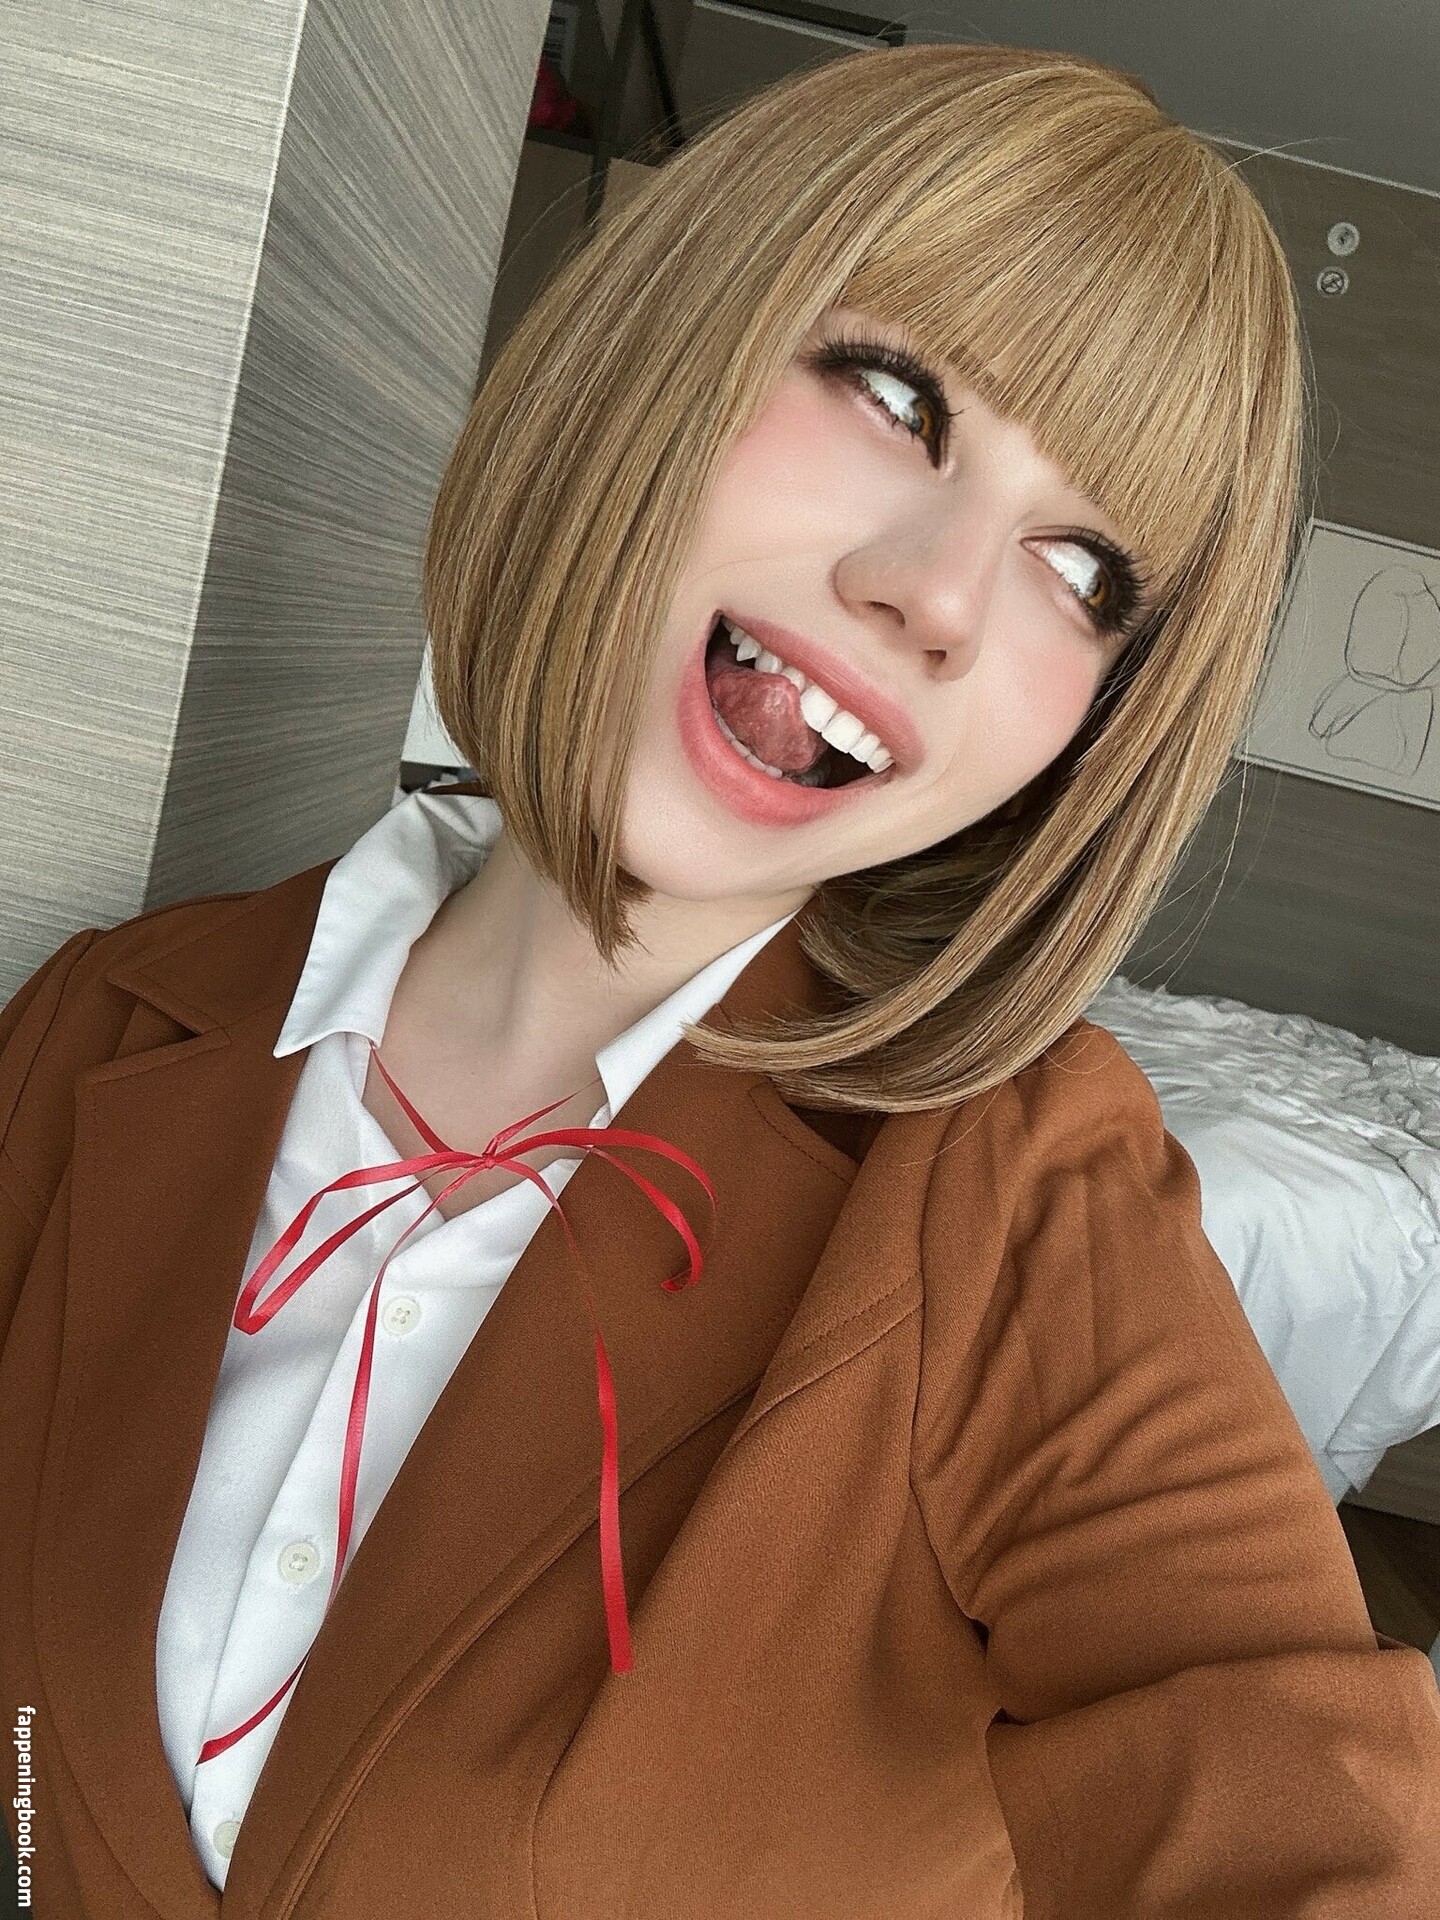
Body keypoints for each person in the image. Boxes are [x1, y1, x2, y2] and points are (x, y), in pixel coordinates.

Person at [3, 41, 1438, 1920]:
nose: (940, 594)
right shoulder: (101, 1024)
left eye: (1088, 572)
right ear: (674, 336)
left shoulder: (1026, 1203)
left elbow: (1291, 1793)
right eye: (897, 393)